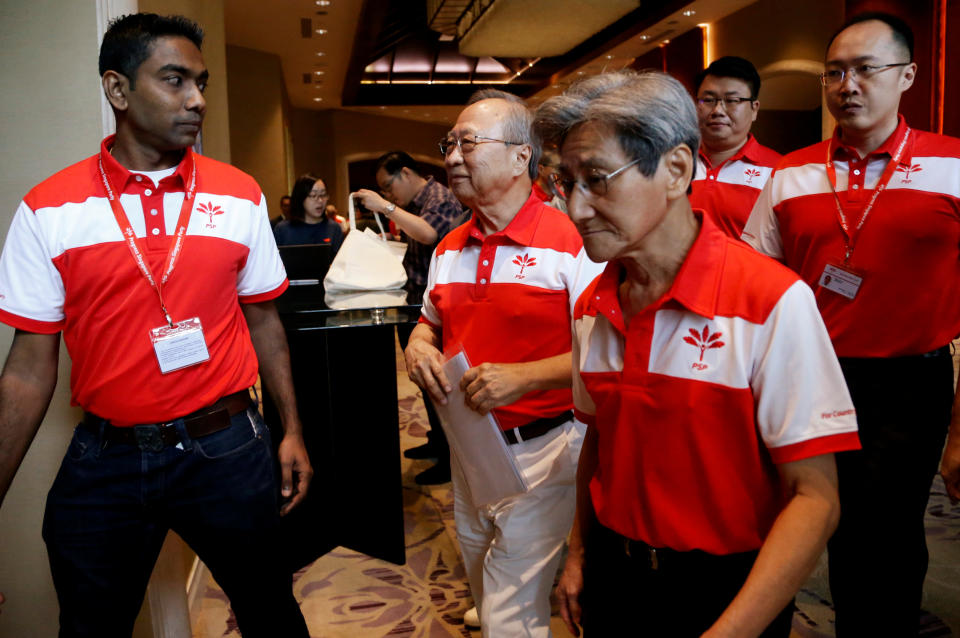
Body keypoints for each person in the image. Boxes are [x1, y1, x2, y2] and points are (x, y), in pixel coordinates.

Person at [0, 13, 312, 637]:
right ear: (117, 90)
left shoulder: (239, 194)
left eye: (201, 82)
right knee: (90, 626)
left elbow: (265, 324)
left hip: (226, 445)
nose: (196, 99)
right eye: (174, 80)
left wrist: (291, 429)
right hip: (107, 456)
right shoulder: (49, 209)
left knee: (271, 614)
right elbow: (28, 372)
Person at [534, 70, 860, 638]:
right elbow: (600, 442)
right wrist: (580, 552)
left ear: (677, 169)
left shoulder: (771, 302)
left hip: (724, 586)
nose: (576, 208)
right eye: (566, 183)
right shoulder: (594, 303)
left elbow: (816, 499)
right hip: (618, 572)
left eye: (597, 179)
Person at [742, 12, 960, 636]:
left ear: (907, 76)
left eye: (867, 69)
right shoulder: (790, 173)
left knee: (888, 537)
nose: (848, 85)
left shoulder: (951, 163)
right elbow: (758, 284)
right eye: (834, 72)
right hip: (808, 377)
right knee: (802, 520)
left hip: (908, 385)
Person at [404, 89, 603, 636]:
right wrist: (418, 344)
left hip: (547, 449)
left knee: (507, 614)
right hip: (470, 446)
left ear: (522, 157)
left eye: (469, 142)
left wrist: (526, 377)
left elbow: (609, 352)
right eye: (449, 143)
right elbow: (431, 323)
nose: (451, 156)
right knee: (478, 562)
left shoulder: (573, 244)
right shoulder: (448, 248)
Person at [353, 151, 464, 485]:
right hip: (414, 302)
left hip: (436, 307)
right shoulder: (416, 203)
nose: (390, 196)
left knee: (440, 382)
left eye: (389, 187)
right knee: (423, 380)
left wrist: (385, 208)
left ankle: (450, 458)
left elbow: (429, 234)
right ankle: (436, 441)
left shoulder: (438, 196)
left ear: (405, 172)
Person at [690, 56, 781, 238]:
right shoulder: (676, 162)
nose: (717, 110)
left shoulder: (778, 171)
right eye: (708, 100)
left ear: (754, 109)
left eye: (731, 101)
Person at [273, 173, 344, 253]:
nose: (320, 200)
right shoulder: (283, 230)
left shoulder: (334, 228)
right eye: (313, 195)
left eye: (323, 195)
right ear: (300, 198)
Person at [532, 147, 568, 213]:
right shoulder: (531, 196)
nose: (560, 172)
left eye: (562, 168)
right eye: (557, 168)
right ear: (541, 169)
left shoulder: (562, 191)